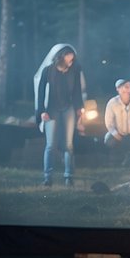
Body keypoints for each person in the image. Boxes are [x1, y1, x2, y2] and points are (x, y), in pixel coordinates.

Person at [34, 43, 86, 187]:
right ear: (62, 56)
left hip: (68, 108)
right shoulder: (48, 71)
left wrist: (79, 108)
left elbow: (77, 91)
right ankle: (47, 177)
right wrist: (42, 111)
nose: (72, 60)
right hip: (52, 109)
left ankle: (68, 176)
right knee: (51, 144)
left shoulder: (74, 70)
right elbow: (41, 92)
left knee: (68, 144)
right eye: (70, 57)